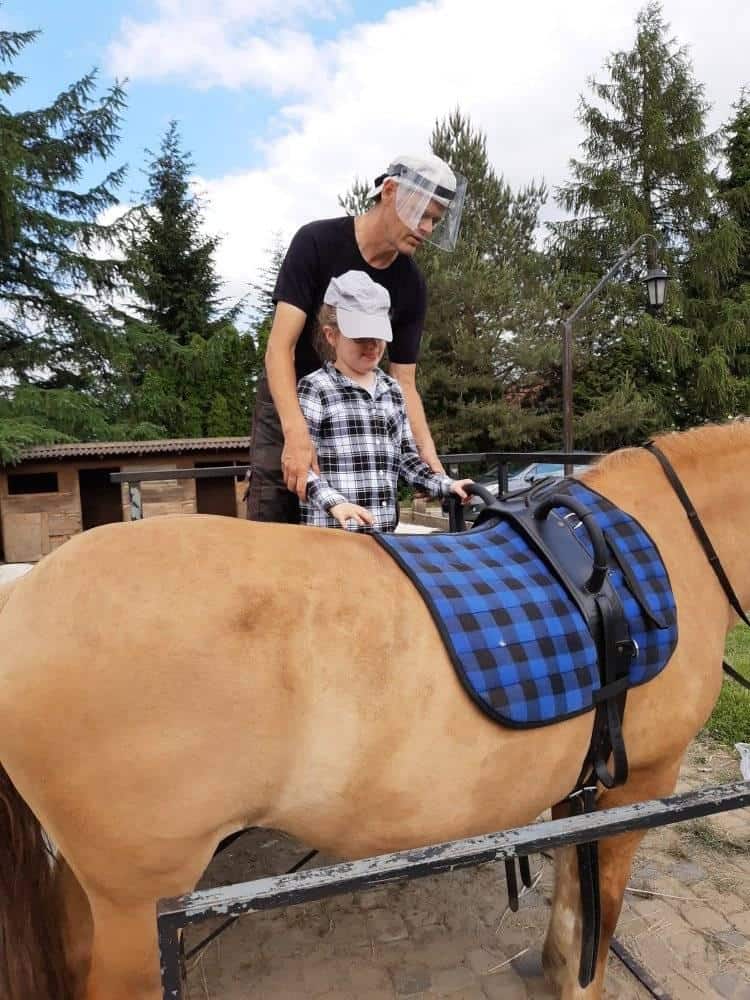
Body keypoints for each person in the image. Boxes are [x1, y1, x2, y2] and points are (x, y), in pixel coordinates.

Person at [246, 152, 467, 523]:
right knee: (277, 513)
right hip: (293, 399)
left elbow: (404, 381)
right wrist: (296, 433)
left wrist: (428, 454)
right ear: (390, 191)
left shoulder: (410, 284)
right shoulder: (316, 242)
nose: (427, 228)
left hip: (358, 414)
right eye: (422, 214)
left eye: (435, 219)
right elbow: (278, 348)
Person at [297, 271, 472, 531]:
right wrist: (336, 504)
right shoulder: (315, 388)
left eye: (377, 336)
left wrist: (446, 485)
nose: (371, 346)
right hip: (333, 538)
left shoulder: (392, 390)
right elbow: (301, 468)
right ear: (331, 335)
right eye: (360, 337)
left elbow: (406, 459)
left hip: (383, 537)